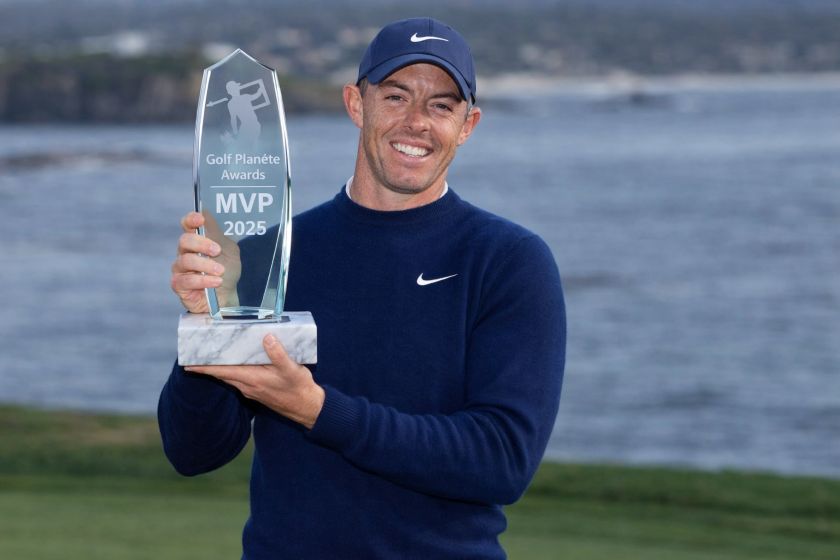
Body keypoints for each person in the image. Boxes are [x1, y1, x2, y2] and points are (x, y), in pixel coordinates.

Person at [160, 17, 566, 559]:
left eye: (441, 106)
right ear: (356, 103)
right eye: (396, 97)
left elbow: (502, 461)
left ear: (467, 125)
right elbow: (193, 451)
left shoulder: (508, 260)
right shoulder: (268, 254)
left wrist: (317, 409)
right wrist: (207, 323)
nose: (417, 122)